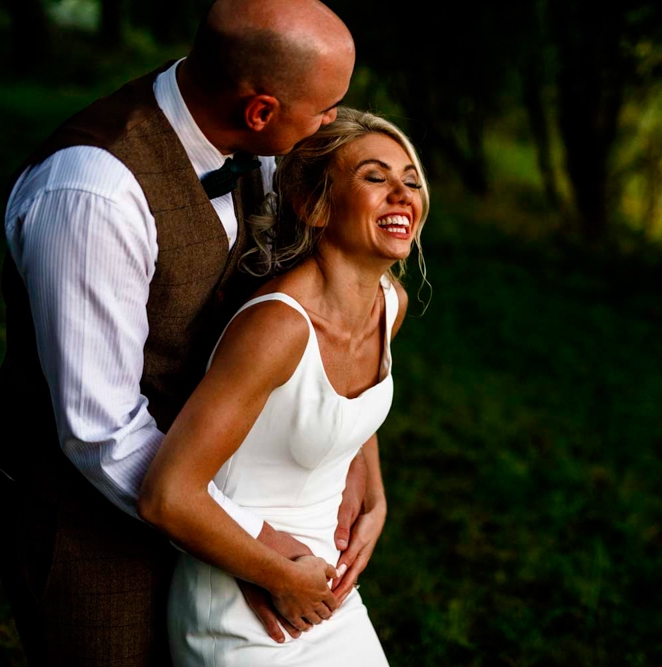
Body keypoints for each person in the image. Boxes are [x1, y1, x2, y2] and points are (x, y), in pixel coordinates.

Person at [0, 1, 380, 664]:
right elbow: (99, 433)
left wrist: (355, 445)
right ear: (260, 109)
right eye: (324, 108)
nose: (333, 120)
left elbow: (307, 298)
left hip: (209, 490)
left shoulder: (260, 146)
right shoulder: (92, 195)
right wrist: (250, 547)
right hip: (86, 520)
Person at [137, 107, 429, 666]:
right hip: (243, 603)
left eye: (410, 180)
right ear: (314, 204)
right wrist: (274, 574)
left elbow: (341, 404)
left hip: (327, 592)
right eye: (375, 177)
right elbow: (167, 495)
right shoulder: (276, 327)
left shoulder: (389, 305)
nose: (402, 194)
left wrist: (375, 490)